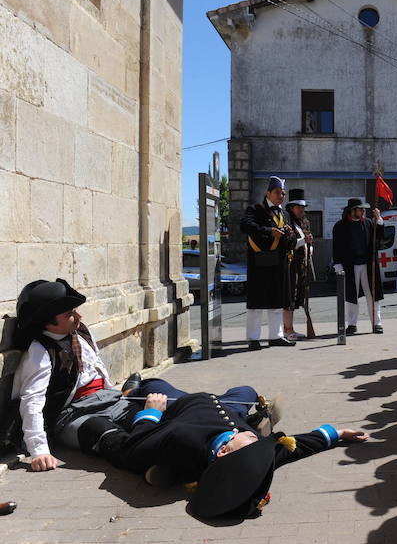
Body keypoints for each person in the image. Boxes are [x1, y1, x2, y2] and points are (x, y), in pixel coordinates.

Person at [85, 377, 367, 519]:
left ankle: (130, 393)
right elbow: (297, 447)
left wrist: (151, 413)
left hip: (179, 407)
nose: (258, 444)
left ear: (223, 453)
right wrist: (338, 432)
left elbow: (132, 447)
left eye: (252, 441)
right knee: (245, 390)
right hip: (229, 409)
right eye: (255, 441)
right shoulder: (253, 454)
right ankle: (255, 421)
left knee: (153, 385)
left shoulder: (182, 437)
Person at [9, 279, 142, 471]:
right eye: (69, 313)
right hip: (74, 415)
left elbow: (100, 368)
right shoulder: (40, 351)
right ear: (49, 324)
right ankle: (148, 464)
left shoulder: (81, 331)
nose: (79, 315)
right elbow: (32, 400)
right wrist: (39, 450)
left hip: (110, 402)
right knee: (107, 436)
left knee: (144, 420)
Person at [240, 176, 297, 350]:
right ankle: (253, 338)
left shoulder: (285, 214)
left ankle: (276, 336)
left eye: (283, 193)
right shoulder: (255, 210)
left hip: (278, 262)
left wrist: (290, 235)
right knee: (257, 303)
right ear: (268, 193)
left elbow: (290, 238)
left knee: (277, 302)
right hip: (260, 261)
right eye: (278, 193)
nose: (281, 196)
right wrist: (269, 231)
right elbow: (245, 226)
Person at [331, 198, 385, 335]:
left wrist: (379, 220)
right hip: (350, 265)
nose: (363, 211)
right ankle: (352, 324)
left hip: (368, 265)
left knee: (373, 295)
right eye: (360, 209)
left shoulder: (368, 223)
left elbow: (379, 238)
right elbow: (336, 246)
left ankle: (376, 323)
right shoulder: (340, 226)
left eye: (363, 209)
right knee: (351, 296)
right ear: (352, 211)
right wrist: (337, 263)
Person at [283, 188, 312, 341]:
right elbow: (289, 244)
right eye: (298, 207)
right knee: (289, 298)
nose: (301, 210)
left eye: (302, 207)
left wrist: (309, 247)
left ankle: (290, 328)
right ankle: (287, 329)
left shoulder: (303, 223)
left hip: (301, 265)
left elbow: (305, 242)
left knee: (296, 297)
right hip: (290, 265)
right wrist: (303, 242)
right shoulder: (288, 222)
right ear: (291, 208)